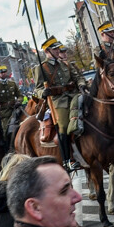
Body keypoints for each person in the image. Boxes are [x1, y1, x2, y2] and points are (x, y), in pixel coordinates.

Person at [34, 36, 86, 171]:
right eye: (55, 49)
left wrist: (81, 84)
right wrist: (42, 93)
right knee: (63, 126)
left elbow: (78, 77)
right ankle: (67, 160)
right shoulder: (41, 68)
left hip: (73, 95)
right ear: (47, 51)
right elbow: (38, 88)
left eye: (58, 48)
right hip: (58, 101)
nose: (58, 51)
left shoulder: (65, 64)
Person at [0, 65, 23, 148]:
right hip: (4, 113)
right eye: (1, 72)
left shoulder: (12, 84)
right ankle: (9, 147)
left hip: (15, 109)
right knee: (6, 130)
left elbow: (20, 95)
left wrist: (19, 101)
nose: (3, 74)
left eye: (4, 72)